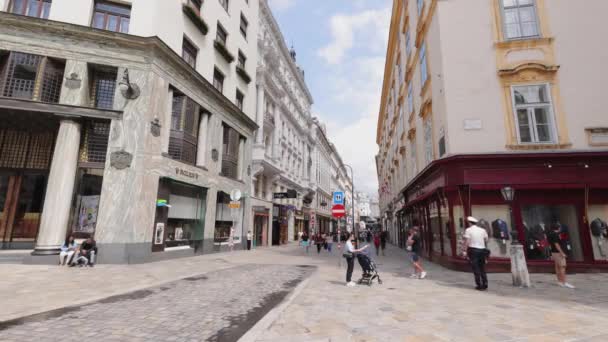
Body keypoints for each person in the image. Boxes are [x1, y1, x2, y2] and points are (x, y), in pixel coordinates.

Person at [463, 216, 489, 290]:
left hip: (473, 250)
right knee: (482, 267)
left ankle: (479, 284)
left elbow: (467, 241)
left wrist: (464, 250)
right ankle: (485, 283)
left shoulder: (468, 230)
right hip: (482, 250)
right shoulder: (482, 230)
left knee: (476, 267)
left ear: (469, 223)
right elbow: (486, 240)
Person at [547, 224, 575, 288]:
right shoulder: (555, 235)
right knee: (562, 267)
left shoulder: (550, 234)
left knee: (557, 266)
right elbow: (557, 244)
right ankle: (564, 282)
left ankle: (559, 281)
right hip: (558, 252)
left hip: (553, 252)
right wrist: (562, 253)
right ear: (558, 228)